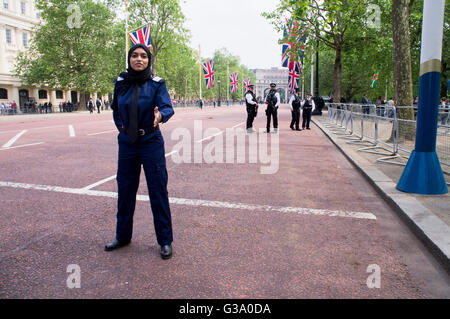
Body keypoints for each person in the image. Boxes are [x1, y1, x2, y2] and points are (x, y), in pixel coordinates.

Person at [105, 43, 175, 260]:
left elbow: (167, 107)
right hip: (127, 142)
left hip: (150, 141)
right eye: (134, 55)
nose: (139, 59)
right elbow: (115, 109)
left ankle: (165, 241)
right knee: (125, 190)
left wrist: (160, 116)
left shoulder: (156, 84)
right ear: (129, 59)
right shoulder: (121, 83)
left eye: (143, 56)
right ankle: (122, 236)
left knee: (157, 190)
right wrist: (122, 128)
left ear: (148, 60)